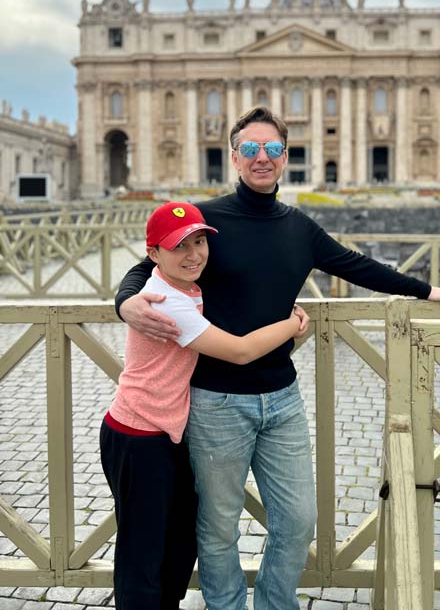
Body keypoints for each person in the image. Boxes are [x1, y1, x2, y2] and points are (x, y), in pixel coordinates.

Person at [116, 106, 440, 610]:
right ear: (234, 156)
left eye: (273, 149)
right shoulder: (204, 218)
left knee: (298, 521)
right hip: (214, 401)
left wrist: (425, 289)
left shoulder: (299, 227)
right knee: (217, 527)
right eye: (251, 149)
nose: (263, 158)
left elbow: (358, 266)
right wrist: (124, 304)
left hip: (282, 399)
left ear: (285, 157)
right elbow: (143, 266)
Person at [102, 200, 308, 610]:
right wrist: (293, 323)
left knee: (177, 542)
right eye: (179, 246)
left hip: (170, 433)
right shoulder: (167, 301)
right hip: (137, 434)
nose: (193, 254)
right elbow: (241, 351)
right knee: (142, 552)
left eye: (199, 242)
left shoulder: (188, 286)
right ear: (155, 254)